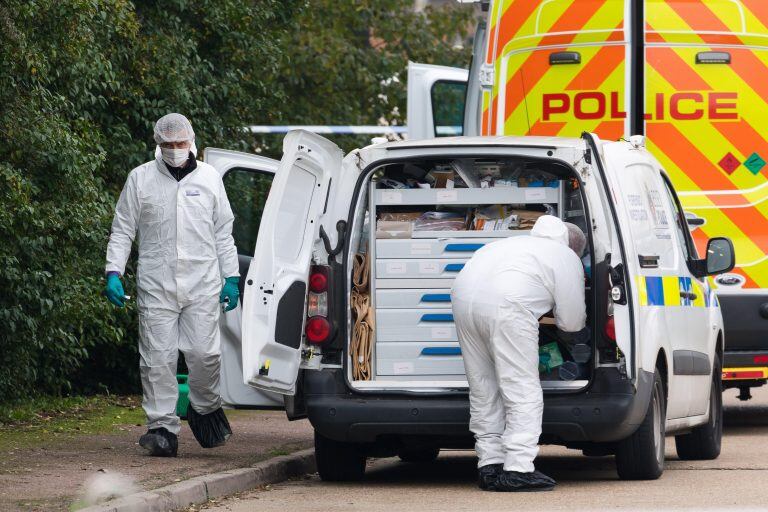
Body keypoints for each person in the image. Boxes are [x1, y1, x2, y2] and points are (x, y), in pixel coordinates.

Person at [103, 113, 241, 457]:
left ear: (191, 141)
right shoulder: (141, 180)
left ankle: (205, 406)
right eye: (168, 144)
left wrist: (232, 276)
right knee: (157, 359)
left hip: (202, 283)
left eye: (180, 143)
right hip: (156, 283)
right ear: (158, 144)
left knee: (205, 354)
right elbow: (123, 229)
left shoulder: (209, 178)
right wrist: (113, 272)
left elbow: (223, 231)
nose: (175, 150)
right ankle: (162, 428)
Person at [451, 215, 587, 492]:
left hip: (463, 301)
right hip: (508, 306)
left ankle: (489, 465)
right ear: (573, 246)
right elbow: (571, 322)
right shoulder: (565, 256)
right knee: (522, 388)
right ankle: (518, 468)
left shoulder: (509, 243)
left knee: (483, 387)